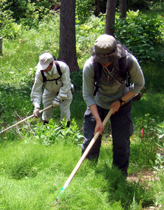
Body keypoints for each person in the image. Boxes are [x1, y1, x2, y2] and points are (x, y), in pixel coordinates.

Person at [82, 34, 145, 176]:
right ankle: (87, 174)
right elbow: (87, 95)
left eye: (108, 59)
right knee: (91, 141)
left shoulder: (128, 61)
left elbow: (140, 84)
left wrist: (121, 101)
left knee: (121, 143)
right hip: (97, 103)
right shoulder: (90, 65)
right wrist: (98, 120)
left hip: (122, 102)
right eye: (101, 59)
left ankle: (119, 176)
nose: (105, 62)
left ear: (115, 54)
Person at [31, 52, 73, 127]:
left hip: (65, 91)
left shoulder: (63, 67)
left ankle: (65, 130)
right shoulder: (39, 73)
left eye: (45, 67)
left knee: (65, 111)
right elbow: (36, 90)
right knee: (46, 111)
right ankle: (46, 127)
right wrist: (36, 106)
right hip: (49, 91)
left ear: (52, 63)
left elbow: (66, 84)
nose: (44, 69)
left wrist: (59, 98)